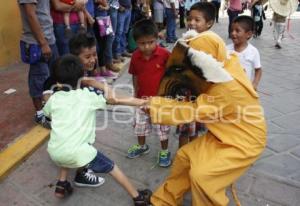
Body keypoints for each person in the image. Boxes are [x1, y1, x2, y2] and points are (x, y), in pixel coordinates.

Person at [147, 30, 267, 205]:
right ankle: (164, 201)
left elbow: (192, 111)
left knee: (203, 177)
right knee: (184, 156)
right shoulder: (227, 61)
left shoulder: (226, 88)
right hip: (224, 134)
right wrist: (154, 103)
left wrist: (154, 107)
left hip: (245, 141)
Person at [43, 54, 152, 205]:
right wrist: (143, 102)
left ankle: (61, 185)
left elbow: (47, 113)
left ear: (58, 82)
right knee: (112, 167)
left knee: (65, 142)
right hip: (78, 152)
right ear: (82, 77)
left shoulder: (54, 98)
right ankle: (138, 197)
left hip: (55, 151)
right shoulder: (88, 96)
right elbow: (116, 99)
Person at [127, 19, 172, 167]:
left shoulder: (165, 55)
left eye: (151, 42)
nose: (146, 47)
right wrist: (135, 93)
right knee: (140, 126)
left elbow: (171, 76)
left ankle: (164, 151)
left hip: (161, 101)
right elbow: (134, 75)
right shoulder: (135, 56)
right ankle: (142, 146)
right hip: (141, 100)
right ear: (136, 42)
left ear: (157, 38)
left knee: (162, 129)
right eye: (142, 43)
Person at [176, 2, 215, 148]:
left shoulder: (210, 43)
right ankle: (182, 154)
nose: (192, 23)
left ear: (209, 23)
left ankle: (192, 154)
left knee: (196, 129)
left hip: (200, 94)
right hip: (185, 95)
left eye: (197, 20)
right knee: (184, 129)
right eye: (189, 19)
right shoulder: (186, 40)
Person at [18, 0, 59, 128]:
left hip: (48, 38)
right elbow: (30, 14)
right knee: (39, 78)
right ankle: (40, 114)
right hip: (37, 42)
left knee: (52, 78)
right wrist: (43, 43)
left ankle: (49, 109)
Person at [227, 15, 262, 90]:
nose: (233, 33)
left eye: (237, 31)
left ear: (248, 34)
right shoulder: (226, 49)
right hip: (228, 87)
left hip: (244, 88)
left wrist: (255, 84)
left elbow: (258, 70)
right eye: (231, 30)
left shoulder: (253, 51)